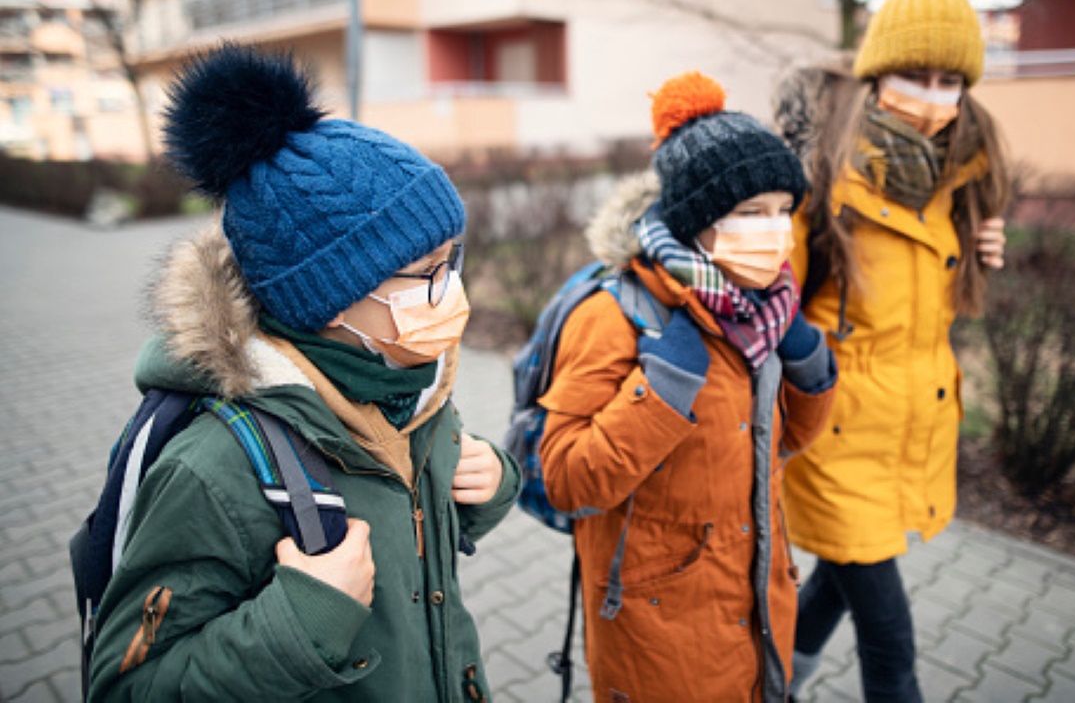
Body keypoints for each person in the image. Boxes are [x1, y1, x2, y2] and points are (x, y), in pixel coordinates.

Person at [87, 44, 519, 701]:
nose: (449, 290)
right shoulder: (213, 468)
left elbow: (416, 531)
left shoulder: (405, 383)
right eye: (423, 274)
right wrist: (299, 620)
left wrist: (492, 485)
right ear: (324, 295)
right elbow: (126, 687)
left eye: (451, 262)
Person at [539, 71, 838, 701]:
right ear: (696, 219)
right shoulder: (616, 315)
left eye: (784, 211)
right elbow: (567, 480)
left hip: (758, 604)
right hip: (659, 633)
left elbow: (784, 446)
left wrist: (809, 366)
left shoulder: (763, 313)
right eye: (750, 213)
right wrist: (663, 387)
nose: (775, 232)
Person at [772, 0, 1011, 702]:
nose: (934, 95)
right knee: (891, 640)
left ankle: (774, 684)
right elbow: (773, 310)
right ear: (877, 73)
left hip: (912, 432)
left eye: (950, 80)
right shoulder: (822, 180)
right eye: (915, 73)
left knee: (842, 585)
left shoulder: (954, 181)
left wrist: (974, 251)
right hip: (837, 437)